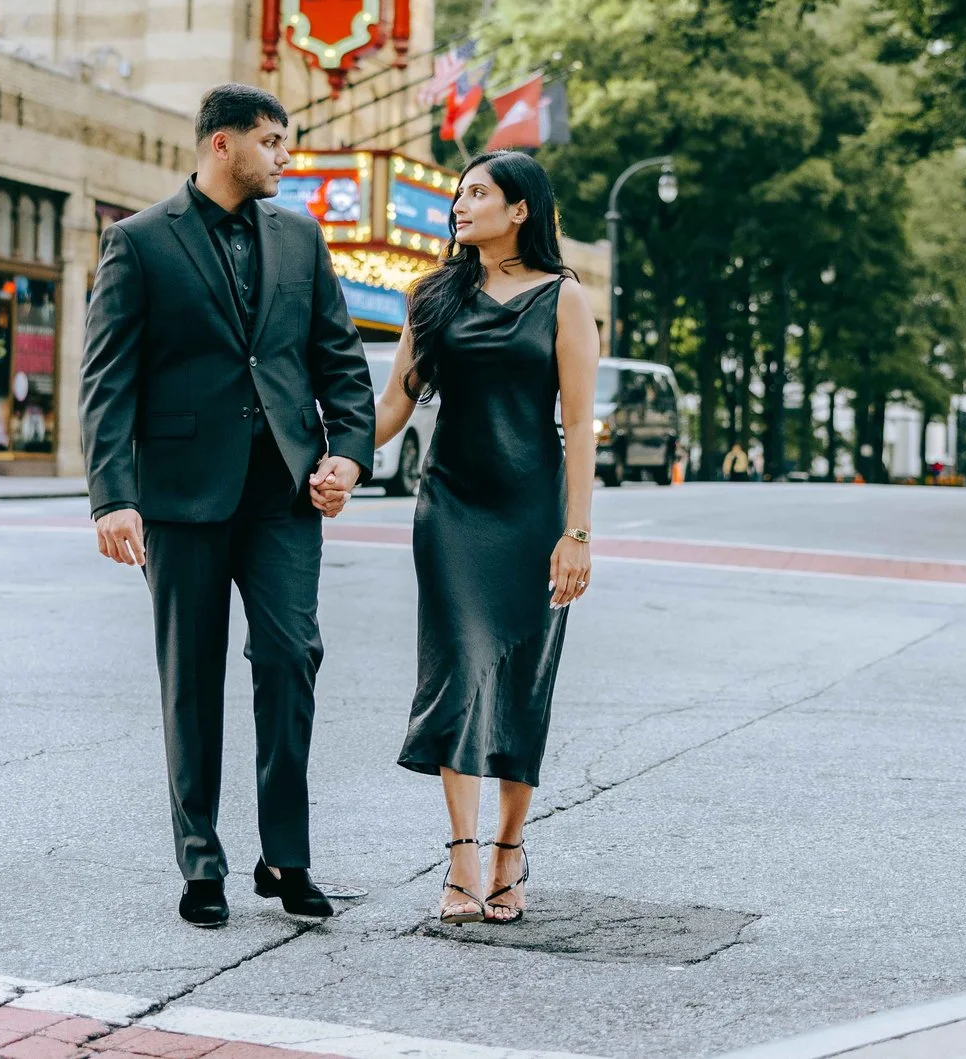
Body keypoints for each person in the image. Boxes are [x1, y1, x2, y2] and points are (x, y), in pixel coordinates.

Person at [80, 84, 377, 929]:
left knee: (291, 658)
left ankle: (285, 854)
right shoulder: (138, 242)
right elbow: (108, 380)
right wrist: (114, 496)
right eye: (273, 141)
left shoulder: (301, 236)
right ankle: (200, 859)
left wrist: (347, 457)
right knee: (192, 679)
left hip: (282, 492)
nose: (286, 157)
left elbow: (339, 361)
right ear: (222, 145)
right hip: (179, 497)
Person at [368, 150, 596, 924]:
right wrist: (322, 449)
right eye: (458, 194)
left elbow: (579, 426)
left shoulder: (563, 298)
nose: (458, 205)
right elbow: (392, 410)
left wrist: (578, 532)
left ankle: (508, 847)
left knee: (525, 678)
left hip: (533, 511)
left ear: (520, 208)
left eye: (476, 193)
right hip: (452, 509)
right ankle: (462, 852)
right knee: (458, 671)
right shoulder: (432, 294)